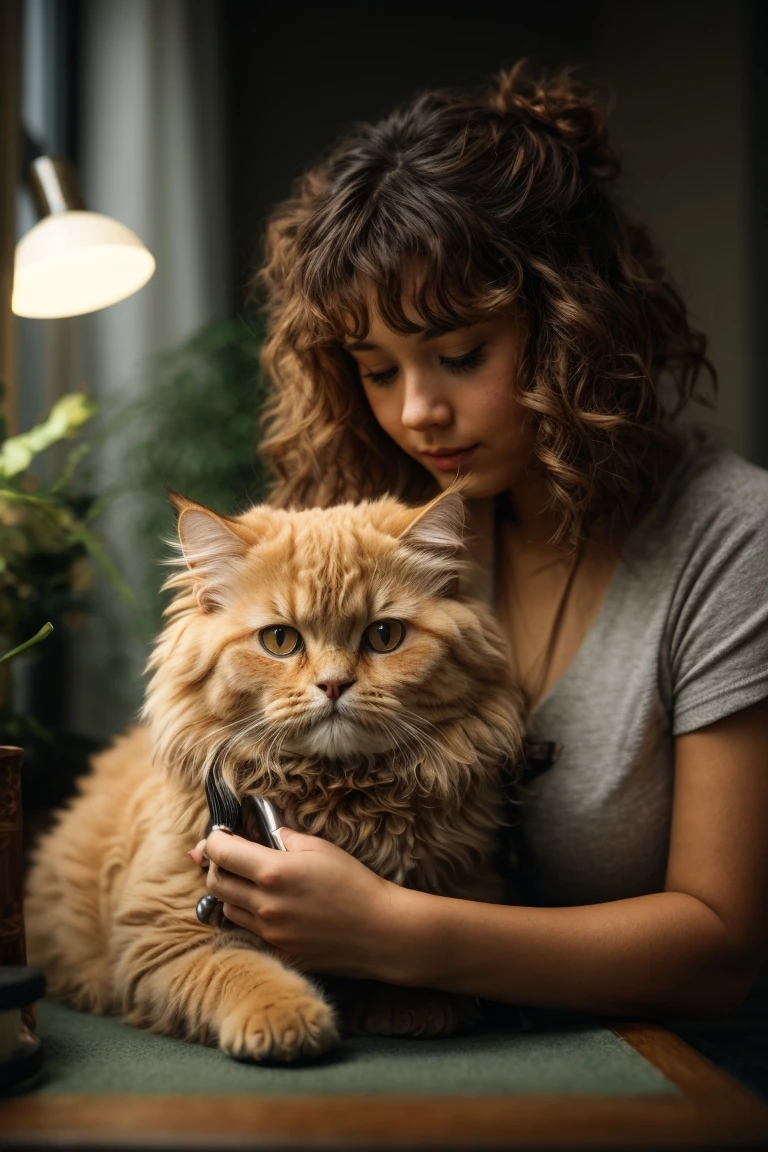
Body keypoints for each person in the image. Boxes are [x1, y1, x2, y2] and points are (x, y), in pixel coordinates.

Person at [192, 63, 768, 1094]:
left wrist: (395, 932)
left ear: (576, 322)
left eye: (459, 353)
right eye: (376, 369)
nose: (417, 413)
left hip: (682, 1081)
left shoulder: (732, 538)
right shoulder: (379, 525)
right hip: (414, 1059)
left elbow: (719, 951)